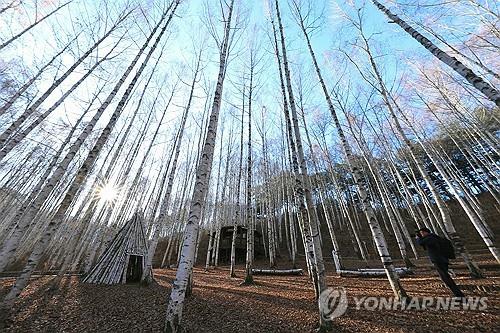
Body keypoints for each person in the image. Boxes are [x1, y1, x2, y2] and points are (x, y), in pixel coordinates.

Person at [415, 227, 465, 297]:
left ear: (426, 232)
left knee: (446, 278)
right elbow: (425, 246)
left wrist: (417, 238)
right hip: (443, 260)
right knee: (446, 277)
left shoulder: (430, 238)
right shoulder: (435, 237)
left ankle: (459, 295)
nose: (421, 234)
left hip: (438, 260)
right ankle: (457, 294)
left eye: (422, 233)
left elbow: (420, 243)